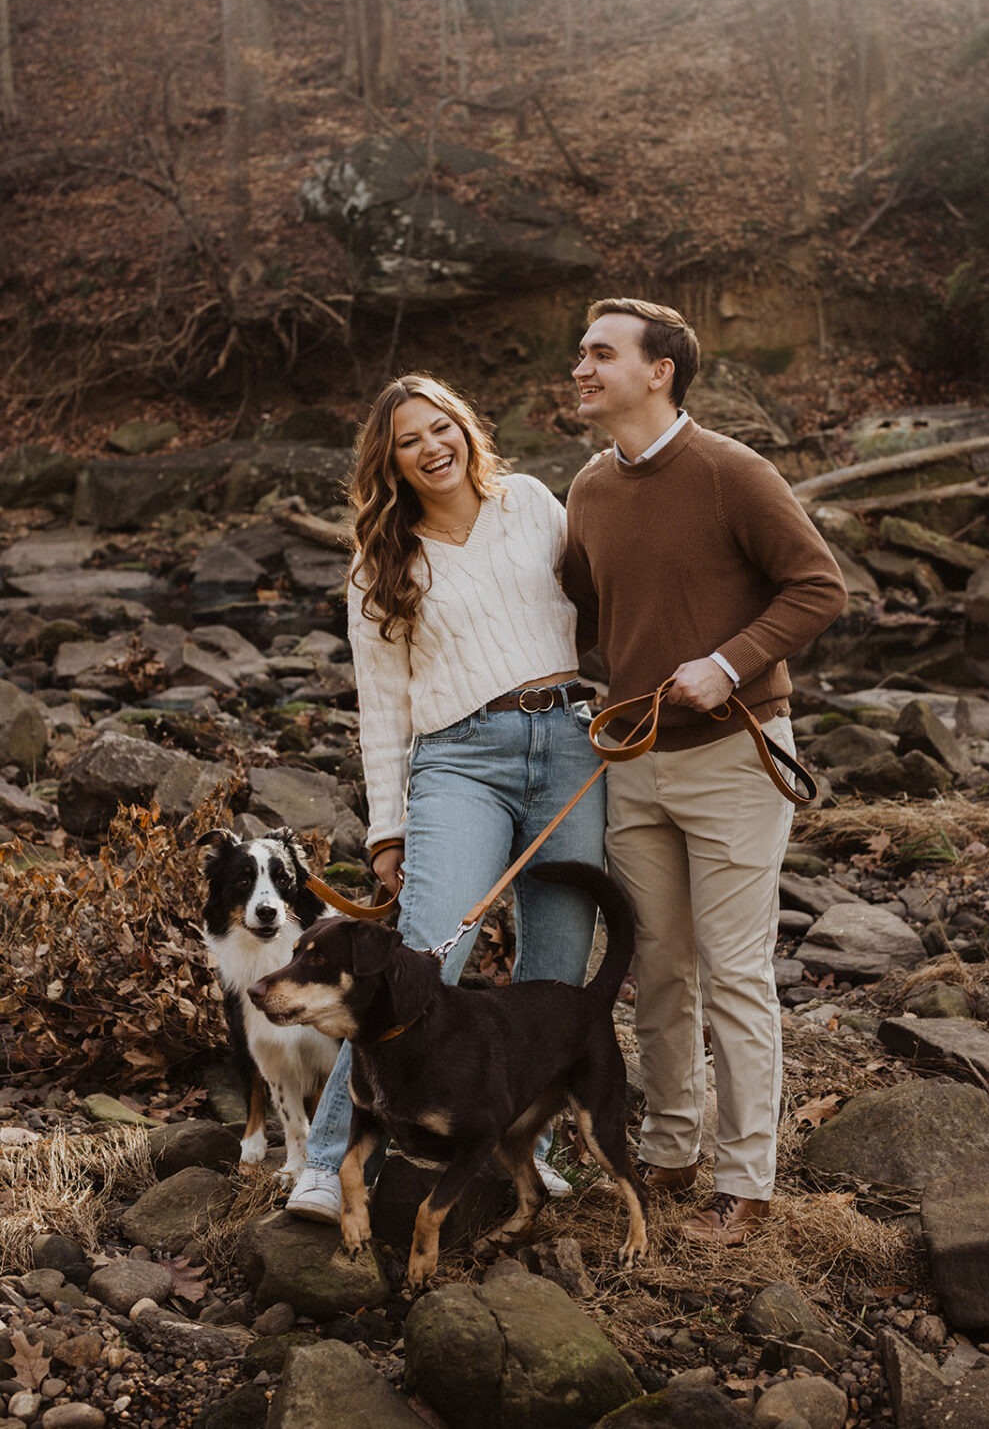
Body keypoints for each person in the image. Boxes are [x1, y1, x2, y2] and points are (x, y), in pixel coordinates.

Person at [286, 373, 607, 1221]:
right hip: (460, 757)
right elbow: (381, 707)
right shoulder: (381, 561)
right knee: (421, 957)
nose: (433, 448)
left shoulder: (533, 503)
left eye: (442, 428)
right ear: (388, 461)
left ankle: (519, 1149)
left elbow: (602, 598)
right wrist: (387, 828)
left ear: (467, 426)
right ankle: (328, 1162)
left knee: (559, 961)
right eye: (408, 440)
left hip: (572, 740)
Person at [563, 298, 846, 1245]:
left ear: (659, 372)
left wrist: (726, 663)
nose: (582, 367)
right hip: (635, 764)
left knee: (734, 973)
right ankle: (674, 1150)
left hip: (737, 756)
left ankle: (747, 1180)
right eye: (580, 354)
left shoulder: (733, 471)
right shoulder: (588, 491)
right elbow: (583, 610)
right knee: (658, 969)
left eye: (601, 354)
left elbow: (818, 585)